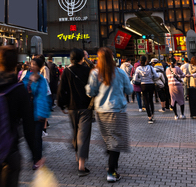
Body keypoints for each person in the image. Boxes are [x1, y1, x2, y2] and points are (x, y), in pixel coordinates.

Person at [0, 46, 40, 187]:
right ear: (15, 65)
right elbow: (28, 126)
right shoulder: (19, 90)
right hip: (10, 151)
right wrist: (36, 156)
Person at [86, 47, 133, 183]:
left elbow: (90, 92)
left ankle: (111, 159)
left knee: (110, 139)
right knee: (116, 142)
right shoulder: (120, 72)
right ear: (112, 58)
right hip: (117, 111)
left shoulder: (95, 73)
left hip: (100, 111)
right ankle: (111, 171)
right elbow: (129, 90)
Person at [57, 48, 92, 177]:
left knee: (76, 133)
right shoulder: (88, 71)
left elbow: (61, 89)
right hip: (85, 107)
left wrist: (61, 104)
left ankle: (78, 156)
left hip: (72, 107)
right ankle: (81, 166)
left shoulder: (67, 71)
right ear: (82, 58)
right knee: (83, 135)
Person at [23, 57, 51, 170]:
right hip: (27, 111)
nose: (32, 66)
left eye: (34, 64)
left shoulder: (42, 80)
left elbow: (44, 97)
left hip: (38, 112)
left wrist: (43, 114)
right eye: (31, 64)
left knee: (36, 137)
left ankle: (37, 159)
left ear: (39, 67)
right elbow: (22, 90)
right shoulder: (26, 77)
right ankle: (34, 154)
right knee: (28, 136)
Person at [133, 55, 159, 123]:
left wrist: (140, 80)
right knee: (151, 100)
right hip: (151, 84)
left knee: (146, 101)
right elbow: (156, 76)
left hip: (143, 85)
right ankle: (152, 115)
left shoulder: (138, 68)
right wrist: (151, 77)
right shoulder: (150, 67)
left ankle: (149, 117)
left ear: (140, 61)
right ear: (146, 61)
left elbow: (135, 79)